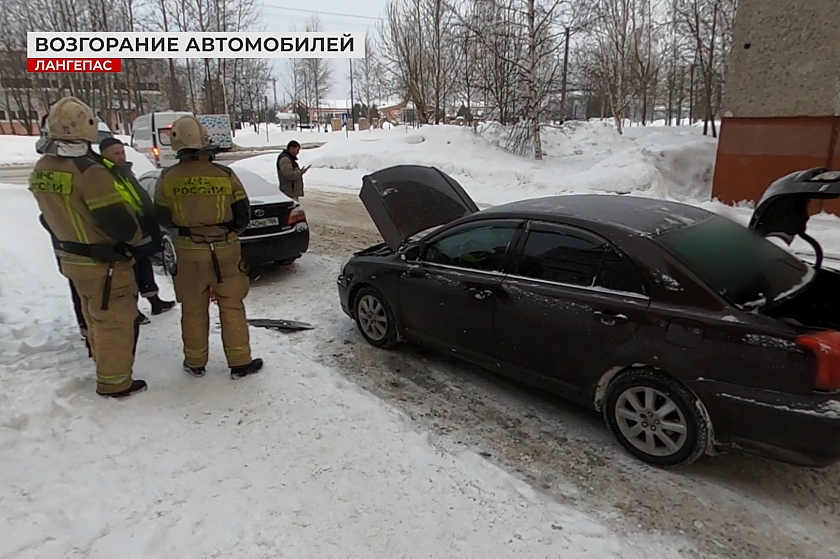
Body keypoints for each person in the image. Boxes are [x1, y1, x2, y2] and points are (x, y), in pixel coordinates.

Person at [29, 96, 151, 398]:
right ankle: (114, 382)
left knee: (93, 315)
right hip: (104, 261)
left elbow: (48, 216)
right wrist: (138, 240)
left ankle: (102, 363)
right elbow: (118, 222)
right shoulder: (89, 171)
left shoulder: (43, 168)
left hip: (71, 258)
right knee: (114, 320)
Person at [153, 115, 263, 379]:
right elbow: (242, 215)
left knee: (192, 309)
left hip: (188, 252)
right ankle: (239, 362)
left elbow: (161, 217)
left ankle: (195, 362)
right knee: (232, 306)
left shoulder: (167, 177)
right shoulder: (225, 175)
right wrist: (227, 234)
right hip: (225, 250)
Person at [99, 137, 176, 323]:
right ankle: (133, 312)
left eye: (122, 152)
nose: (121, 156)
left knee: (144, 266)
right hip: (125, 230)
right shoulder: (104, 174)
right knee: (129, 273)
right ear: (104, 155)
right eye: (116, 153)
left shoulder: (123, 172)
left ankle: (155, 301)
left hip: (140, 227)